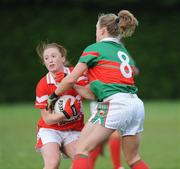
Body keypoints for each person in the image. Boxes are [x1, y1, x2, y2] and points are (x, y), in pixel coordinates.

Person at [46, 10, 149, 169]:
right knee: (133, 158)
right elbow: (93, 92)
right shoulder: (122, 51)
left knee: (81, 148)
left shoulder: (95, 48)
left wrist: (53, 96)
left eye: (96, 30)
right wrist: (75, 85)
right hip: (135, 105)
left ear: (102, 30)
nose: (95, 34)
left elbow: (71, 77)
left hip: (115, 104)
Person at [34, 42, 88, 169]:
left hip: (73, 130)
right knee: (53, 163)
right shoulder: (43, 85)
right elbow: (47, 118)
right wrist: (64, 113)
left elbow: (91, 94)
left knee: (82, 164)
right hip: (50, 130)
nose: (50, 60)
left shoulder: (75, 74)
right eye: (46, 58)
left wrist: (70, 83)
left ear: (63, 58)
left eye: (53, 56)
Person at [89, 59, 139, 169]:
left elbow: (134, 71)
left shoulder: (120, 54)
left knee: (100, 139)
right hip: (103, 100)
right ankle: (117, 166)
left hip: (117, 99)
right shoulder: (101, 53)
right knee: (111, 134)